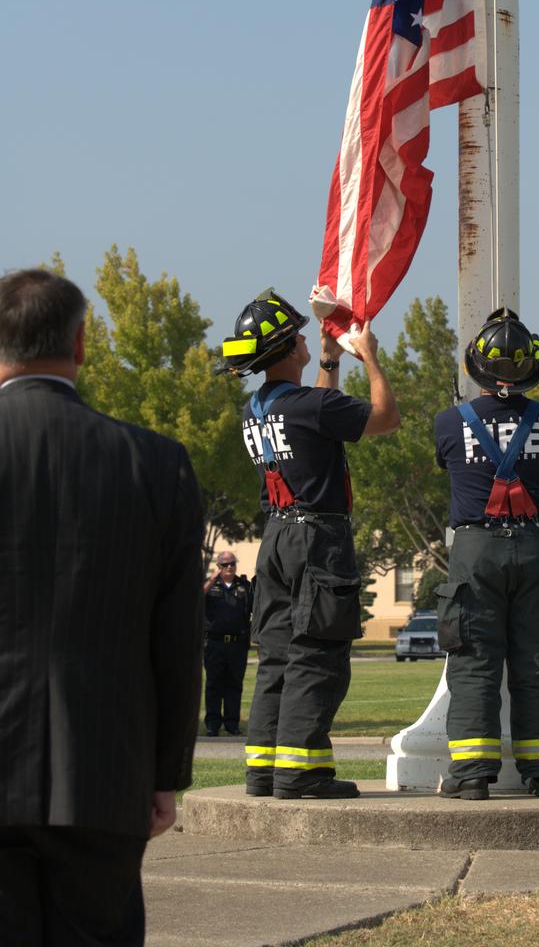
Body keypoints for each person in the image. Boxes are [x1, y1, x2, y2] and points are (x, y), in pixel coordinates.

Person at [0, 269, 204, 946]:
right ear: (83, 343)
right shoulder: (156, 462)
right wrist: (164, 773)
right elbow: (177, 639)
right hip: (105, 771)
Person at [220, 289, 399, 800]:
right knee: (318, 652)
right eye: (299, 336)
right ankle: (302, 773)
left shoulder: (259, 406)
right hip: (319, 538)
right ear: (287, 349)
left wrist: (328, 358)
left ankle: (265, 770)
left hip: (276, 537)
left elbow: (321, 413)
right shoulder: (310, 406)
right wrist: (370, 358)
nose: (306, 338)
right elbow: (385, 418)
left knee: (277, 652)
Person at [433, 308, 539, 802]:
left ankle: (471, 774)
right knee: (537, 659)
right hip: (534, 546)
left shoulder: (450, 422)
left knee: (473, 661)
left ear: (477, 368)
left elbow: (448, 468)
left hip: (475, 550)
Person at [203, 550, 253, 736]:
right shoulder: (211, 585)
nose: (229, 567)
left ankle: (232, 724)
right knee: (214, 684)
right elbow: (197, 598)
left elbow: (255, 607)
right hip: (214, 643)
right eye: (225, 564)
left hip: (237, 644)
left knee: (234, 684)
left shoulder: (244, 586)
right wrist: (212, 578)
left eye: (232, 563)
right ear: (218, 566)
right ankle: (212, 724)